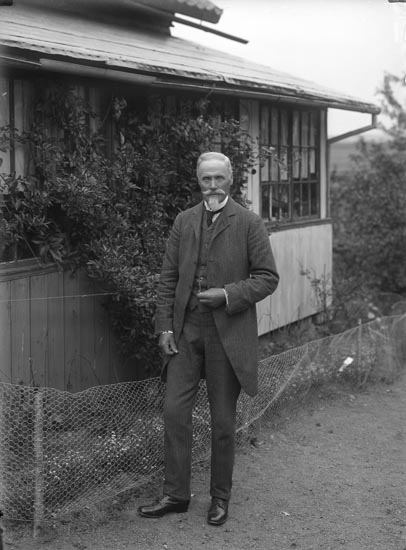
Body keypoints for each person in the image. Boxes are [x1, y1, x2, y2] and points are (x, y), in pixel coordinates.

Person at [138, 151, 279, 526]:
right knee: (174, 411)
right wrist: (165, 328)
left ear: (230, 180)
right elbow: (168, 279)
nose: (213, 185)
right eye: (206, 179)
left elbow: (267, 277)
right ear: (198, 181)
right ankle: (176, 494)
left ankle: (220, 497)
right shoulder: (183, 221)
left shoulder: (248, 223)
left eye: (219, 178)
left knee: (222, 422)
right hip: (186, 331)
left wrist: (228, 295)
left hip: (227, 333)